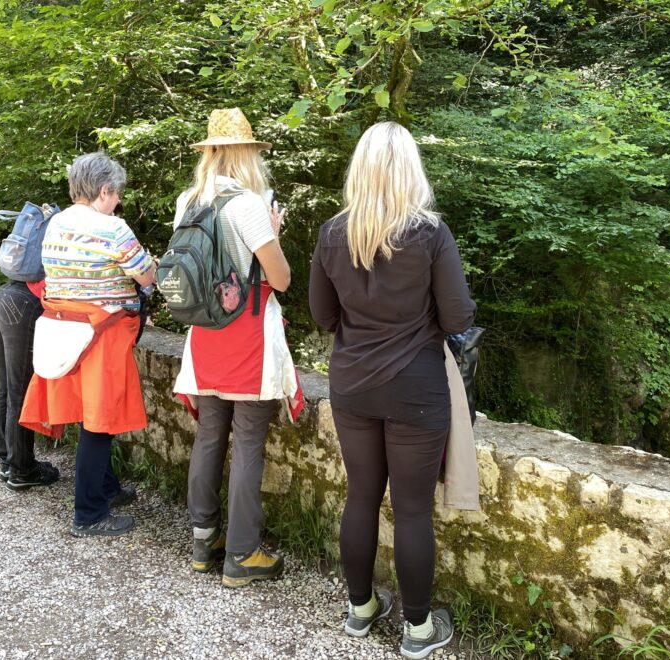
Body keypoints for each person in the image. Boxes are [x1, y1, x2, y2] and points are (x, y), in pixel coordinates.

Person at [308, 122, 476, 659]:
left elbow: (322, 315)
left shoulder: (333, 233)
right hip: (416, 391)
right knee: (411, 510)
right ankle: (419, 631)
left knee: (360, 496)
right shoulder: (430, 235)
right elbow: (458, 316)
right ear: (412, 171)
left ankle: (360, 610)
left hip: (353, 385)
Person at [171, 108, 304, 588]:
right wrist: (275, 232)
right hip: (248, 337)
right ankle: (243, 555)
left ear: (208, 154)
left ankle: (203, 541)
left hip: (204, 336)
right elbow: (282, 280)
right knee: (248, 441)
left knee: (209, 435)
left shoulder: (188, 201)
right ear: (248, 155)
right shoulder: (249, 206)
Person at [20, 152, 156, 537]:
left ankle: (108, 489)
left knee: (90, 416)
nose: (118, 202)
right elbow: (144, 278)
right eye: (117, 194)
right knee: (100, 423)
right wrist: (153, 266)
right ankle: (89, 513)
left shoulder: (56, 223)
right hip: (103, 334)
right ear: (104, 190)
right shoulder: (114, 228)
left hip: (65, 331)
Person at [0, 278, 60, 491]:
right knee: (20, 392)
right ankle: (21, 470)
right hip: (25, 301)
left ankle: (8, 463)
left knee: (6, 388)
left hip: (3, 294)